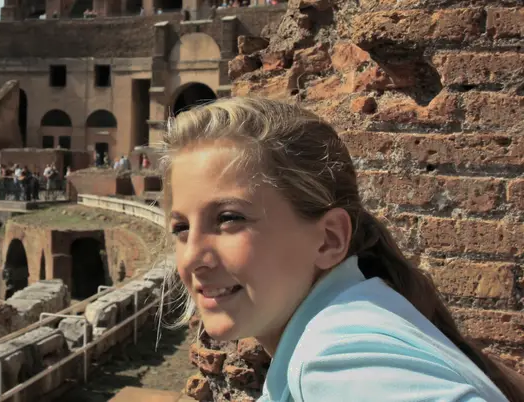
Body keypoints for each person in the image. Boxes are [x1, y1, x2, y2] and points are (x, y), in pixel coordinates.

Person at [162, 97, 521, 401]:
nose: (191, 257)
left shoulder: (333, 361)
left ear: (330, 239)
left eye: (229, 218)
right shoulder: (359, 316)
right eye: (181, 227)